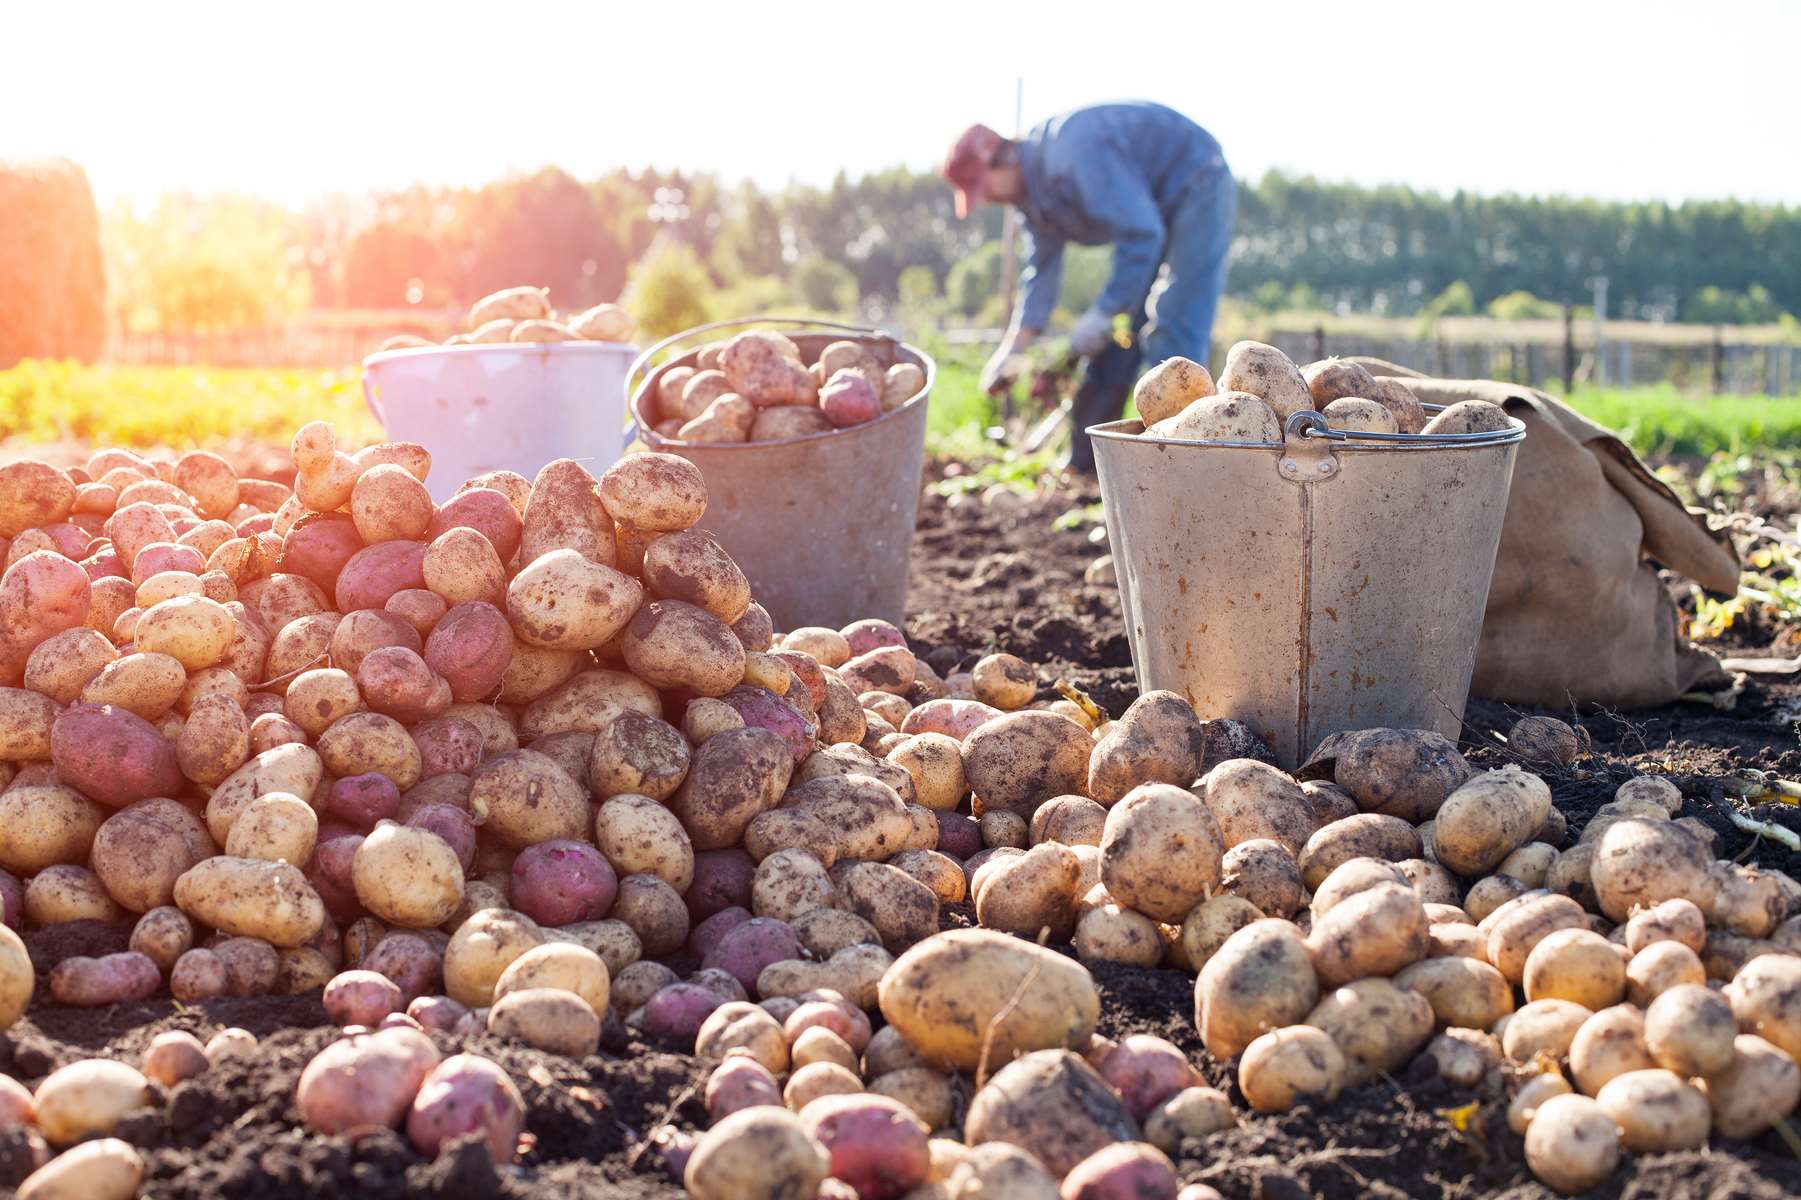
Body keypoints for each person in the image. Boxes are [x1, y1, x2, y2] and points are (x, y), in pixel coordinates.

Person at [942, 101, 1235, 471]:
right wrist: (1015, 347)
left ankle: (1187, 464)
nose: (985, 200)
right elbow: (1042, 269)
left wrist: (1104, 311)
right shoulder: (1029, 199)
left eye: (981, 186)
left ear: (999, 158)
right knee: (1120, 335)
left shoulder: (1073, 154)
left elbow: (1141, 234)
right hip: (1150, 209)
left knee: (1174, 317)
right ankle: (1091, 464)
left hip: (1197, 178)